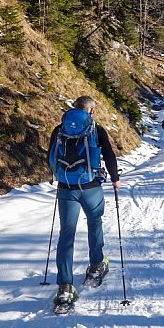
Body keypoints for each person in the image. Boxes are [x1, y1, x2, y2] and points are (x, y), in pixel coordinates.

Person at [48, 95, 121, 310]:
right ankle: (96, 264)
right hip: (90, 187)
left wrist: (60, 175)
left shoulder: (59, 129)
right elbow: (109, 155)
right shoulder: (95, 129)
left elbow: (50, 157)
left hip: (65, 189)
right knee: (95, 222)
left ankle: (64, 287)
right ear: (92, 111)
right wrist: (115, 179)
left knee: (66, 234)